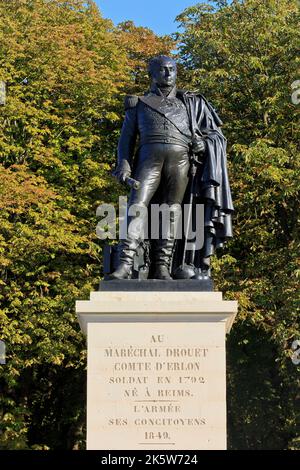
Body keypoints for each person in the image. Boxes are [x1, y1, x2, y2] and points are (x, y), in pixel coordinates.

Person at [110, 55, 233, 280]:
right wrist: (124, 167)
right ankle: (125, 264)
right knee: (137, 206)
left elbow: (215, 135)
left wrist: (203, 144)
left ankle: (162, 267)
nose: (168, 74)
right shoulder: (138, 103)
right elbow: (126, 140)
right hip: (149, 159)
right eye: (163, 70)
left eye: (172, 69)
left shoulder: (190, 103)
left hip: (181, 162)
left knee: (171, 212)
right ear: (152, 74)